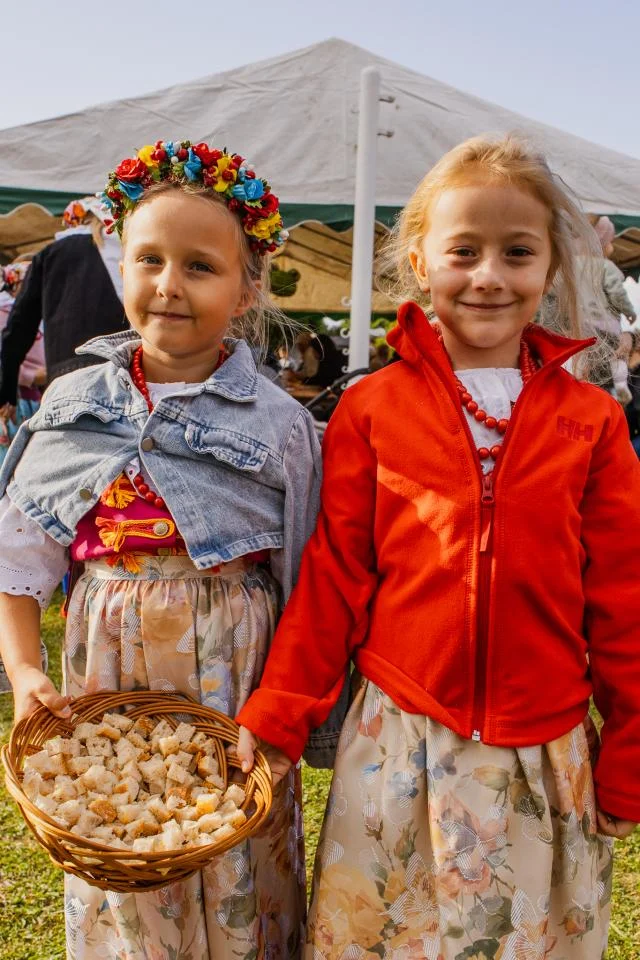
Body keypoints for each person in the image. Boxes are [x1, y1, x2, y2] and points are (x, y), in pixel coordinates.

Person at [237, 135, 640, 958]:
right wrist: (280, 714)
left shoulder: (593, 421)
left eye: (517, 252)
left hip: (543, 756)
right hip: (399, 745)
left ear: (549, 268)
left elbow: (624, 594)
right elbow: (335, 578)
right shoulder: (371, 408)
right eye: (464, 251)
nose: (489, 275)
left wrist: (631, 748)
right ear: (421, 262)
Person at [0, 139, 316, 960]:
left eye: (200, 266)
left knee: (233, 841)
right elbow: (19, 555)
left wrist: (286, 708)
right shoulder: (71, 401)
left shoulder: (280, 422)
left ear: (247, 288)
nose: (168, 284)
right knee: (124, 836)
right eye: (148, 260)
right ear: (121, 265)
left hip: (233, 674)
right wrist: (26, 671)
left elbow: (311, 576)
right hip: (107, 666)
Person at [0, 195, 128, 426]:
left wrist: (7, 392)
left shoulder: (49, 255)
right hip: (119, 370)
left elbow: (18, 329)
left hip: (65, 376)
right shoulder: (124, 250)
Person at [0, 260, 46, 463]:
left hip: (36, 398)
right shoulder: (4, 314)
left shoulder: (37, 316)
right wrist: (30, 376)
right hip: (14, 401)